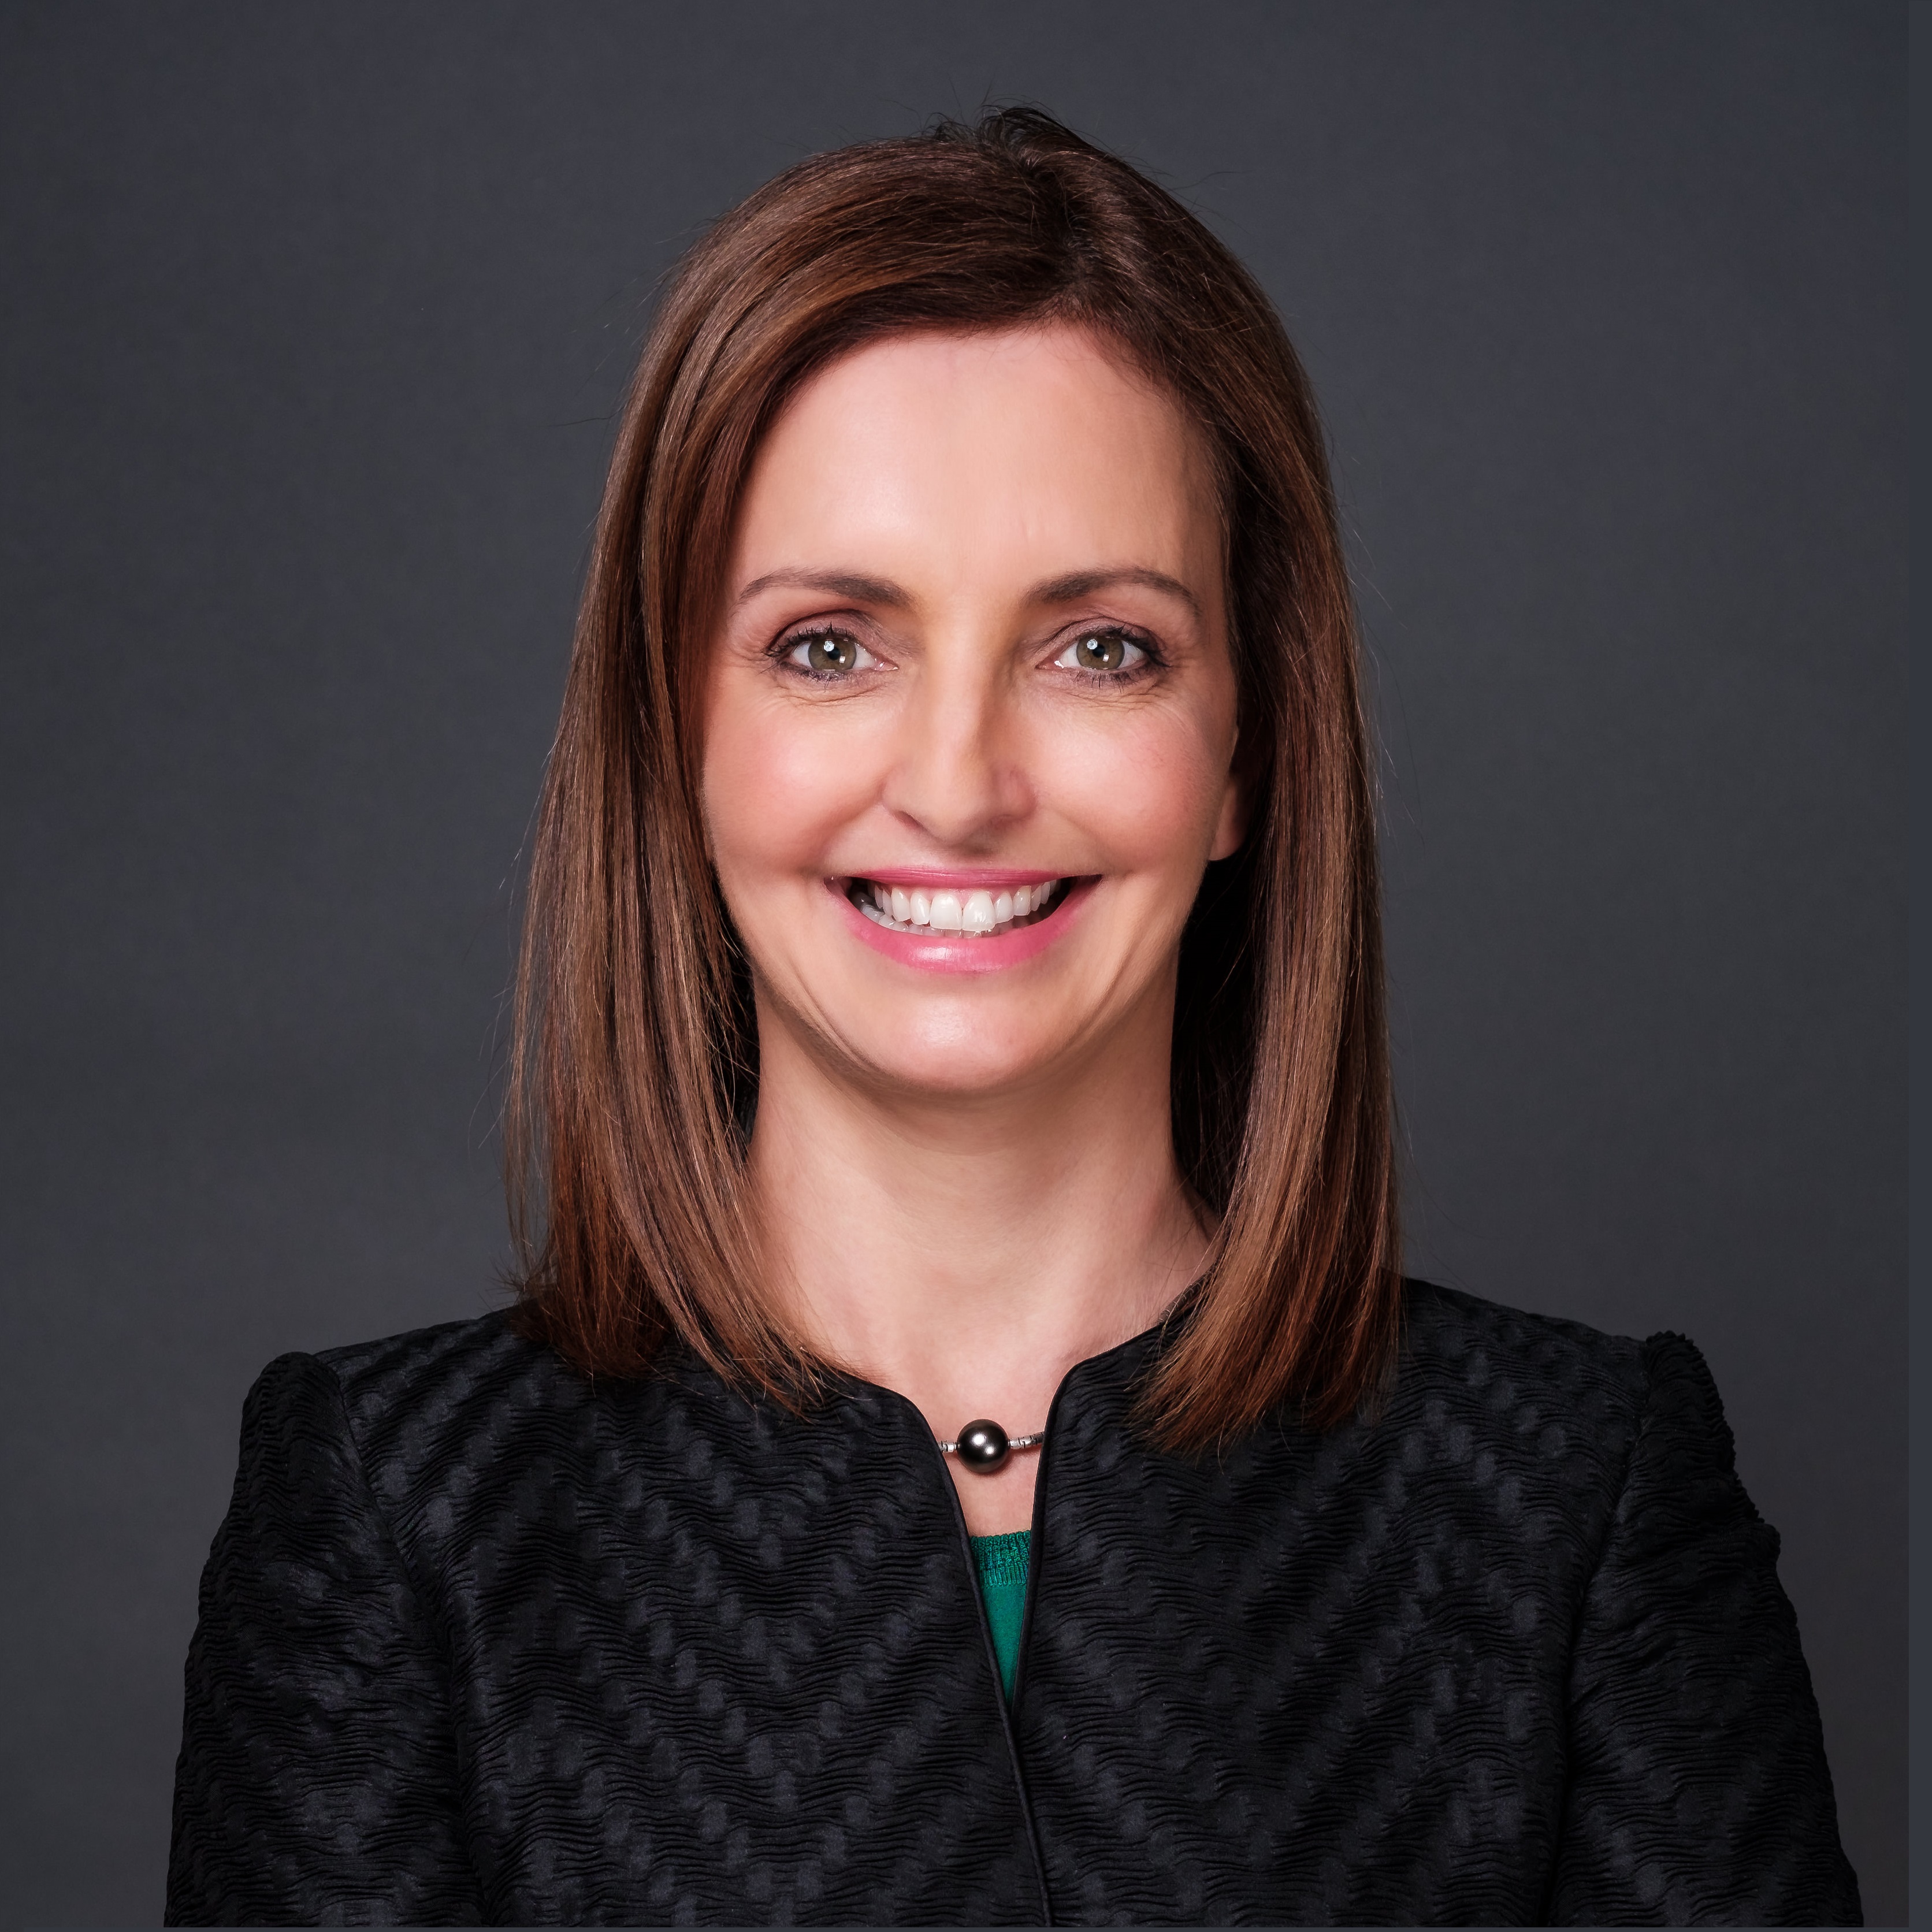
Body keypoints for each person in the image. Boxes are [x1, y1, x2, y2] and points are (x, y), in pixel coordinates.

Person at [164, 109, 1859, 1927]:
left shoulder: (1574, 1499)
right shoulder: (396, 1519)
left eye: (1100, 646)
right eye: (830, 645)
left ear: (1246, 752)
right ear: (675, 737)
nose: (959, 787)